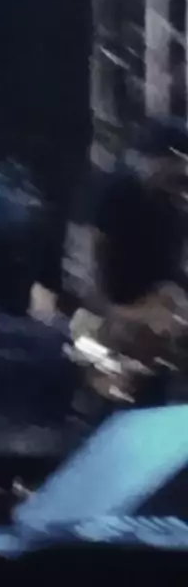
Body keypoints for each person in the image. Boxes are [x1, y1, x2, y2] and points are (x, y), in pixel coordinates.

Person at [85, 117, 188, 395]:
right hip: (118, 301)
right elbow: (95, 248)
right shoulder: (118, 191)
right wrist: (107, 307)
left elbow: (171, 260)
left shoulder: (172, 202)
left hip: (157, 299)